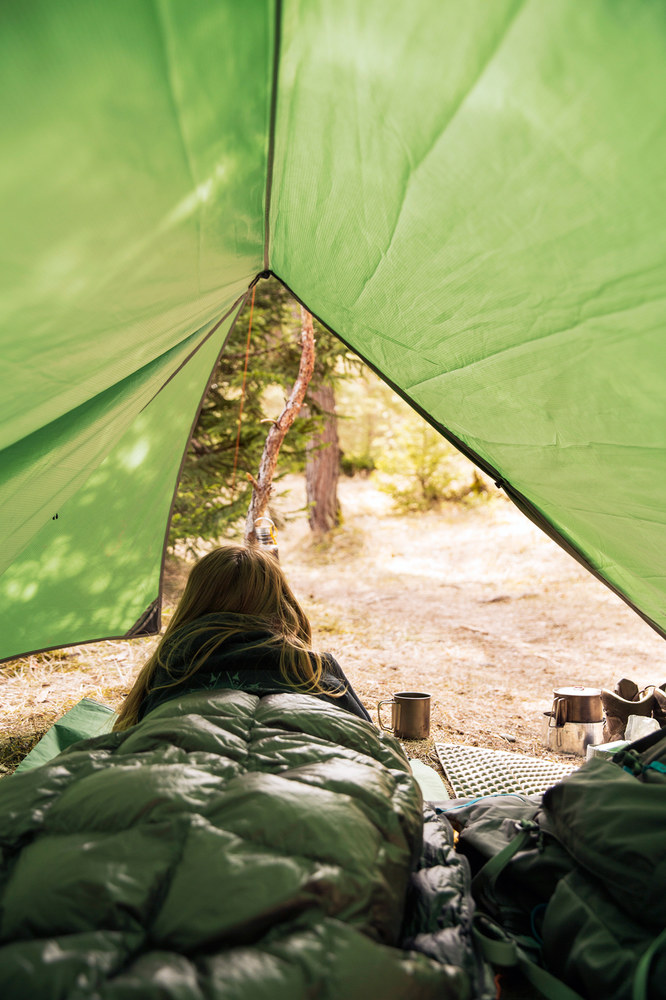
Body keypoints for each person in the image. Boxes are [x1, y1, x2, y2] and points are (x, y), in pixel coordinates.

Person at [114, 542, 370, 730]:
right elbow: (372, 746)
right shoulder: (314, 669)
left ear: (193, 605)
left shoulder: (169, 667)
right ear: (282, 605)